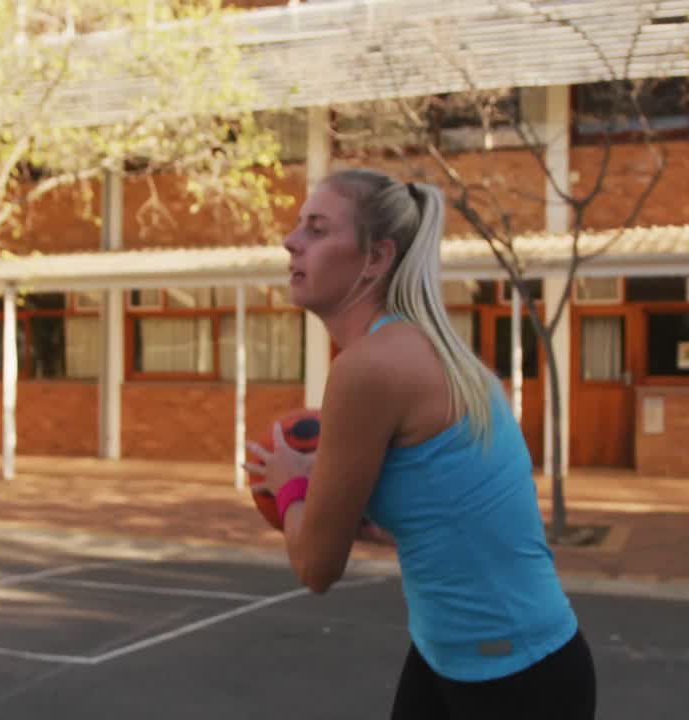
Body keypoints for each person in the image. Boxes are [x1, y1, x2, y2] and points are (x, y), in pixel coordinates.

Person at [243, 168, 596, 719]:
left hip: (514, 679)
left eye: (316, 228)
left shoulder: (370, 369)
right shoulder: (432, 351)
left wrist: (288, 487)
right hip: (456, 656)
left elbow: (316, 568)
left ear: (376, 259)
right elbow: (450, 513)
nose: (290, 241)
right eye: (296, 227)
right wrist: (352, 512)